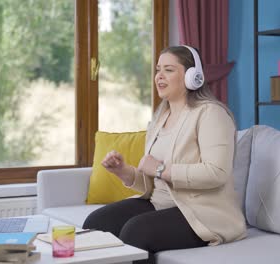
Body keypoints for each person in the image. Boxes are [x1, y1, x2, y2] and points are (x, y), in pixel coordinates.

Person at [83, 45, 247, 264]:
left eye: (169, 70)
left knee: (136, 231)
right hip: (161, 204)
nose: (159, 76)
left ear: (192, 76)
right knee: (96, 222)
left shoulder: (211, 113)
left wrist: (161, 169)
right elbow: (152, 184)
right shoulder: (160, 118)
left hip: (201, 213)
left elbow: (216, 173)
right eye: (158, 69)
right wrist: (124, 171)